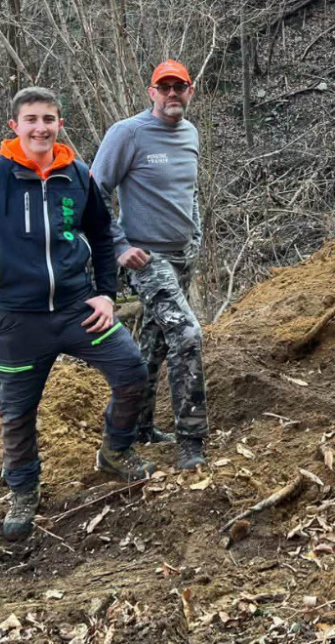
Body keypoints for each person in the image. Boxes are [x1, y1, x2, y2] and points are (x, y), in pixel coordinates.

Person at [0, 87, 152, 542]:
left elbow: (102, 236)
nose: (41, 128)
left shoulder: (78, 175)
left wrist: (105, 294)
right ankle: (23, 489)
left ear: (60, 124)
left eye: (49, 119)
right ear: (15, 126)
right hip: (17, 317)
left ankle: (116, 452)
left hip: (79, 309)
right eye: (32, 119)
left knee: (132, 371)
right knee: (17, 411)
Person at [92, 60, 208, 471]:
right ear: (152, 92)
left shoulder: (190, 133)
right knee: (188, 335)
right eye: (165, 87)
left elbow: (190, 191)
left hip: (181, 255)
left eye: (180, 86)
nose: (172, 93)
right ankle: (191, 442)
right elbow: (93, 192)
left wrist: (195, 236)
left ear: (190, 91)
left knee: (156, 342)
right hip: (146, 258)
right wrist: (119, 245)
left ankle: (138, 427)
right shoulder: (128, 133)